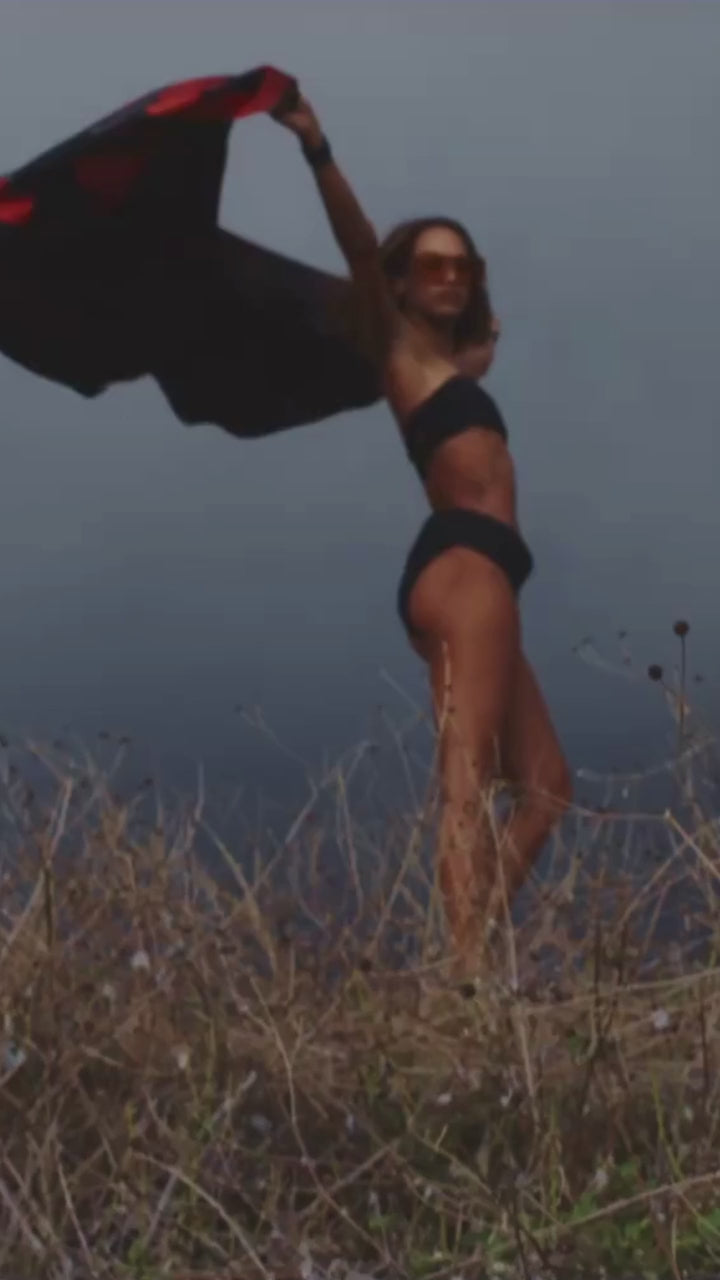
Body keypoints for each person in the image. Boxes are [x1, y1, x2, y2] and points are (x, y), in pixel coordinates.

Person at [273, 93, 572, 977]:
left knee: (547, 790)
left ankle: (464, 960)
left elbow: (469, 363)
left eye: (463, 266)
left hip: (489, 575)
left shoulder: (448, 365)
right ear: (399, 283)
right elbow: (360, 246)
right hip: (463, 569)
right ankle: (466, 980)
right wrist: (317, 147)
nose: (449, 276)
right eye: (431, 264)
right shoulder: (398, 349)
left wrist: (482, 349)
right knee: (467, 786)